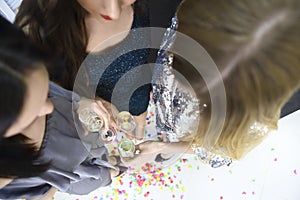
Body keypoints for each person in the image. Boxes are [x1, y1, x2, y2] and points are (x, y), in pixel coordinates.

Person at [125, 0, 300, 168]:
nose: (179, 86)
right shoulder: (199, 24)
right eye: (179, 62)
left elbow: (217, 149)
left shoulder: (252, 119)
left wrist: (167, 147)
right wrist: (160, 89)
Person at [0, 16, 123, 199]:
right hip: (71, 172)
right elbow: (47, 190)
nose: (50, 108)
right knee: (96, 176)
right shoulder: (15, 174)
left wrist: (80, 103)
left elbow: (57, 95)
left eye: (46, 93)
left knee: (98, 154)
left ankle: (108, 163)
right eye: (33, 115)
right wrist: (103, 176)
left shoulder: (16, 78)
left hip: (81, 140)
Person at [14, 0, 153, 140]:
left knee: (138, 123)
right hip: (100, 101)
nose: (114, 13)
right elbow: (48, 92)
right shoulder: (43, 31)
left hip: (139, 90)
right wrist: (82, 102)